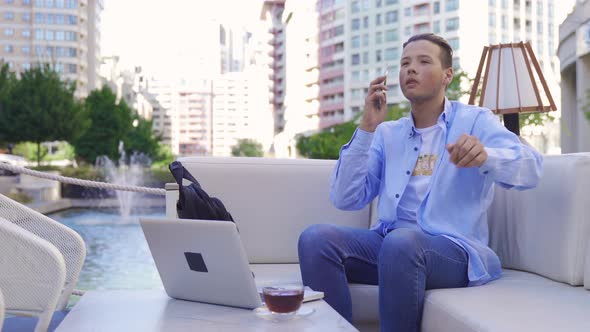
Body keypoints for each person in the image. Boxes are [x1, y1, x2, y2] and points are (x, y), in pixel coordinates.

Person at [297, 33, 543, 332]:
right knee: (316, 239)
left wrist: (486, 156)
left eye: (424, 61)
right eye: (405, 63)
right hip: (391, 245)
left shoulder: (475, 121)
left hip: (452, 250)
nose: (410, 69)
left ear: (447, 75)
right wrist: (367, 128)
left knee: (402, 243)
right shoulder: (388, 133)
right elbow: (345, 197)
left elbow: (531, 169)